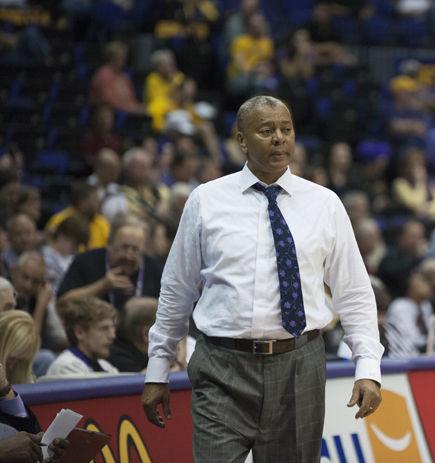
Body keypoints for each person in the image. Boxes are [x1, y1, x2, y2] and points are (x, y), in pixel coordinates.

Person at [141, 96, 383, 462]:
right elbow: (177, 289)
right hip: (221, 365)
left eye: (286, 130)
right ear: (241, 140)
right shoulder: (205, 201)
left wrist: (368, 367)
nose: (279, 139)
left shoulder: (325, 203)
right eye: (266, 130)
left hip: (300, 364)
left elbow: (354, 292)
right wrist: (157, 369)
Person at [56, 215, 162, 311]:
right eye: (124, 248)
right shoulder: (86, 261)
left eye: (135, 250)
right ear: (109, 244)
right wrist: (102, 286)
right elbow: (62, 303)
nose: (128, 256)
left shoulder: (154, 268)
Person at [46, 297, 118, 377]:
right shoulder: (66, 367)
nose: (112, 336)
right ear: (79, 332)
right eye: (104, 328)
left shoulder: (105, 366)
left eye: (113, 328)